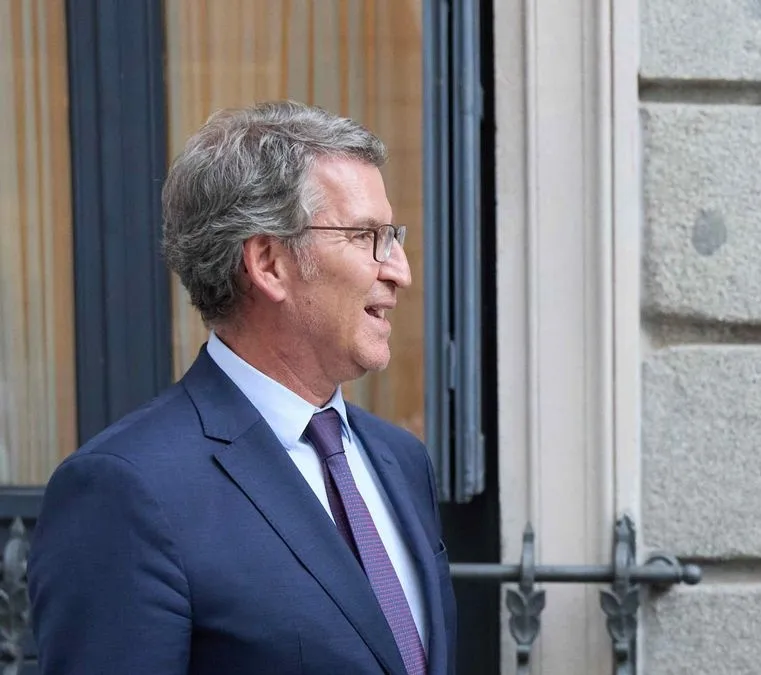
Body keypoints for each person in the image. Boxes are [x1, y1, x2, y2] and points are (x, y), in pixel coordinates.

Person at [28, 101, 456, 675]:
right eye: (366, 236)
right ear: (268, 263)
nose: (399, 270)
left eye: (393, 236)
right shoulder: (126, 489)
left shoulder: (400, 460)